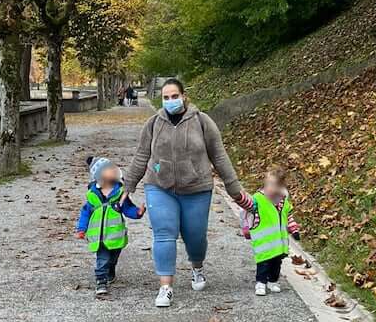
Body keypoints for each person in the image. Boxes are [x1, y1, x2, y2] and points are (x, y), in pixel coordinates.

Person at [122, 77, 253, 307]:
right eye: (166, 97)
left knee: (195, 236)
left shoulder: (202, 122)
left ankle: (197, 267)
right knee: (163, 232)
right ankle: (165, 287)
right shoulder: (154, 123)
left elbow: (219, 156)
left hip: (197, 188)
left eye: (175, 96)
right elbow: (142, 155)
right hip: (159, 186)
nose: (170, 101)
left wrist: (235, 190)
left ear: (184, 97)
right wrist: (128, 186)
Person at [75, 156, 145, 298]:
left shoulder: (120, 193)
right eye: (109, 169)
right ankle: (101, 281)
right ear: (99, 175)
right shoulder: (93, 195)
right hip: (99, 237)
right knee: (103, 258)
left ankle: (110, 271)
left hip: (115, 235)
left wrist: (137, 213)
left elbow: (127, 208)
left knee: (113, 258)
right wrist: (81, 228)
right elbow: (85, 212)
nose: (114, 170)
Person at [239, 167, 301, 296]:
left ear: (281, 187)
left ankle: (273, 281)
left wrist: (294, 229)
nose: (270, 188)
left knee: (276, 264)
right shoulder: (258, 200)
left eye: (274, 185)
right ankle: (260, 283)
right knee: (263, 264)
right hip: (263, 243)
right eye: (268, 184)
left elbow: (288, 217)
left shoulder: (283, 202)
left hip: (279, 244)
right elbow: (247, 204)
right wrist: (239, 196)